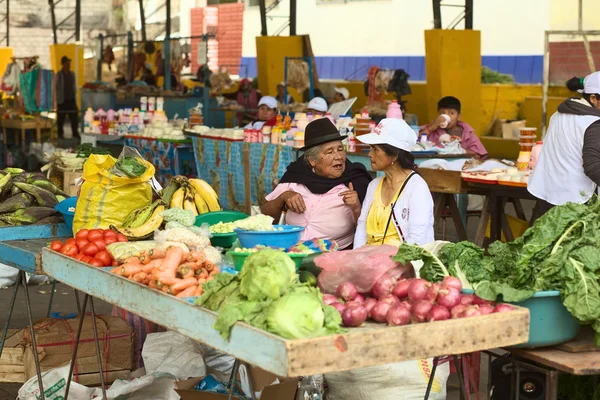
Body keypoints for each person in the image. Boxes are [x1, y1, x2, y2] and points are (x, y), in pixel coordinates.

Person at [261, 118, 372, 249]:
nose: (339, 157)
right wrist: (283, 197)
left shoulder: (356, 180)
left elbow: (371, 231)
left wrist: (356, 207)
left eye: (340, 149)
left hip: (334, 255)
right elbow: (266, 215)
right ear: (312, 160)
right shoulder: (296, 176)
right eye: (329, 152)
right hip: (290, 248)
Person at [354, 118, 434, 247]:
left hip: (402, 262)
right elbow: (362, 227)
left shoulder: (417, 188)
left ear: (394, 155)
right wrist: (356, 257)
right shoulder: (374, 185)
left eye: (375, 149)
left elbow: (416, 241)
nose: (370, 154)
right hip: (369, 259)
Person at [528, 73, 600, 214]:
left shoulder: (558, 114)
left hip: (547, 194)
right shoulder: (593, 124)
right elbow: (593, 166)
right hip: (576, 203)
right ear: (593, 98)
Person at [419, 96, 488, 159]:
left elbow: (478, 155)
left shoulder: (467, 132)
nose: (446, 116)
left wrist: (458, 149)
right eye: (442, 113)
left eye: (451, 113)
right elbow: (414, 142)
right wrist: (430, 128)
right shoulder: (432, 129)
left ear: (459, 116)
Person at [53, 56, 79, 139]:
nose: (68, 65)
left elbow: (73, 85)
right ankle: (60, 134)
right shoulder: (58, 75)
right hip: (62, 100)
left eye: (69, 63)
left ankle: (75, 133)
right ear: (63, 64)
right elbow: (55, 87)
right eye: (67, 63)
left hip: (71, 99)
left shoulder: (72, 74)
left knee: (74, 117)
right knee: (61, 118)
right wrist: (55, 99)